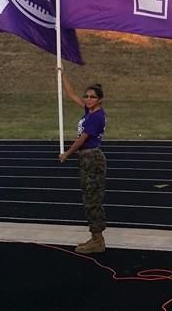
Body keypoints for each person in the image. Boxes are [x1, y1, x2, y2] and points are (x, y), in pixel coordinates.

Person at [58, 73, 108, 253]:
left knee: (92, 198)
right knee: (89, 197)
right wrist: (61, 74)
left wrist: (67, 154)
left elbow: (82, 139)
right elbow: (71, 95)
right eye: (86, 96)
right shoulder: (90, 111)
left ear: (100, 100)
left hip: (92, 158)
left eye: (92, 97)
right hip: (86, 158)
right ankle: (96, 237)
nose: (88, 99)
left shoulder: (96, 117)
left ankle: (97, 241)